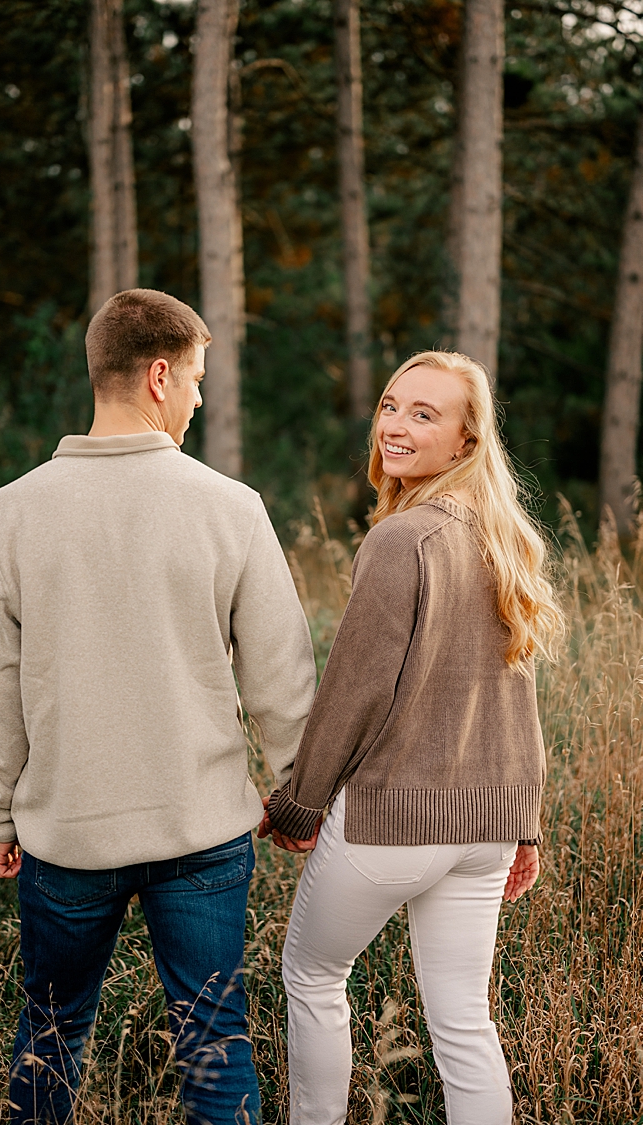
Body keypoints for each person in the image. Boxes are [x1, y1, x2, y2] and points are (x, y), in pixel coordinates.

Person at [0, 288, 318, 1125]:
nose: (198, 397)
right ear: (159, 375)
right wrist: (296, 791)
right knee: (213, 1041)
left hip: (67, 833)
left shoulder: (9, 513)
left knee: (50, 1035)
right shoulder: (231, 507)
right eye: (195, 378)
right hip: (202, 833)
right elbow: (282, 678)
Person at [264, 350, 563, 1125]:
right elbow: (518, 700)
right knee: (464, 1021)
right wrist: (522, 823)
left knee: (314, 973)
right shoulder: (503, 539)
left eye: (424, 414)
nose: (395, 425)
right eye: (392, 406)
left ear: (467, 440)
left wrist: (299, 805)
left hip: (393, 820)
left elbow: (354, 692)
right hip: (484, 830)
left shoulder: (404, 540)